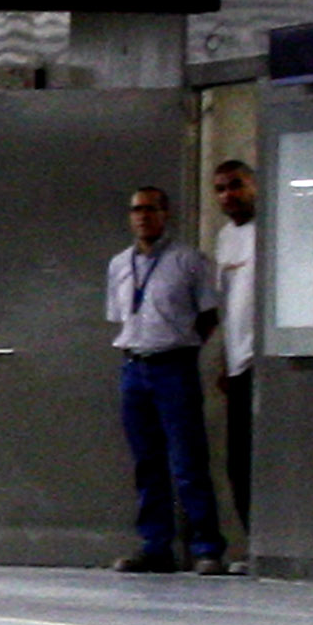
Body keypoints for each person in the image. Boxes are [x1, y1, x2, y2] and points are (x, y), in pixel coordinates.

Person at [105, 184, 228, 575]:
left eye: (151, 209)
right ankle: (155, 546)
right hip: (133, 367)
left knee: (188, 461)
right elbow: (120, 315)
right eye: (136, 209)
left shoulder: (188, 261)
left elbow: (209, 314)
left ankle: (207, 547)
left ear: (165, 214)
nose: (142, 216)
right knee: (146, 462)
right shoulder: (119, 265)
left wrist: (184, 346)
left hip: (173, 366)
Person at [209, 157, 259, 536]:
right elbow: (227, 307)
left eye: (236, 185)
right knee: (238, 459)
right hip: (239, 364)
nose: (229, 195)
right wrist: (226, 360)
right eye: (221, 188)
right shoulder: (226, 239)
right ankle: (251, 537)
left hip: (266, 362)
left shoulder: (272, 231)